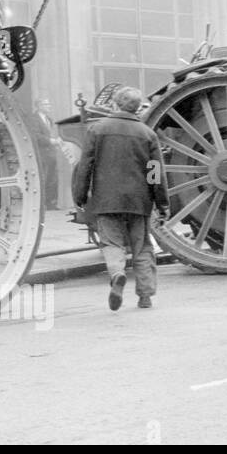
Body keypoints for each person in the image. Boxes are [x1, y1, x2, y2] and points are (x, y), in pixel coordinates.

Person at [72, 86, 169, 311]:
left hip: (107, 200)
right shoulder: (148, 134)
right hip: (139, 201)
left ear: (114, 104)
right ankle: (145, 296)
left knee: (111, 242)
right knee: (142, 247)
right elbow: (155, 171)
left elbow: (85, 166)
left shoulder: (97, 130)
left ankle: (117, 274)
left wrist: (80, 196)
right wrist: (161, 202)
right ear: (137, 108)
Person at [31, 99, 63, 210]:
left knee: (52, 178)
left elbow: (52, 133)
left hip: (52, 153)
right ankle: (41, 204)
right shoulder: (34, 119)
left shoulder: (49, 119)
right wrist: (51, 141)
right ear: (38, 106)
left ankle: (51, 203)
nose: (49, 106)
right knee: (43, 178)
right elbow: (36, 136)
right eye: (45, 104)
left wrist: (57, 140)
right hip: (42, 153)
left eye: (49, 103)